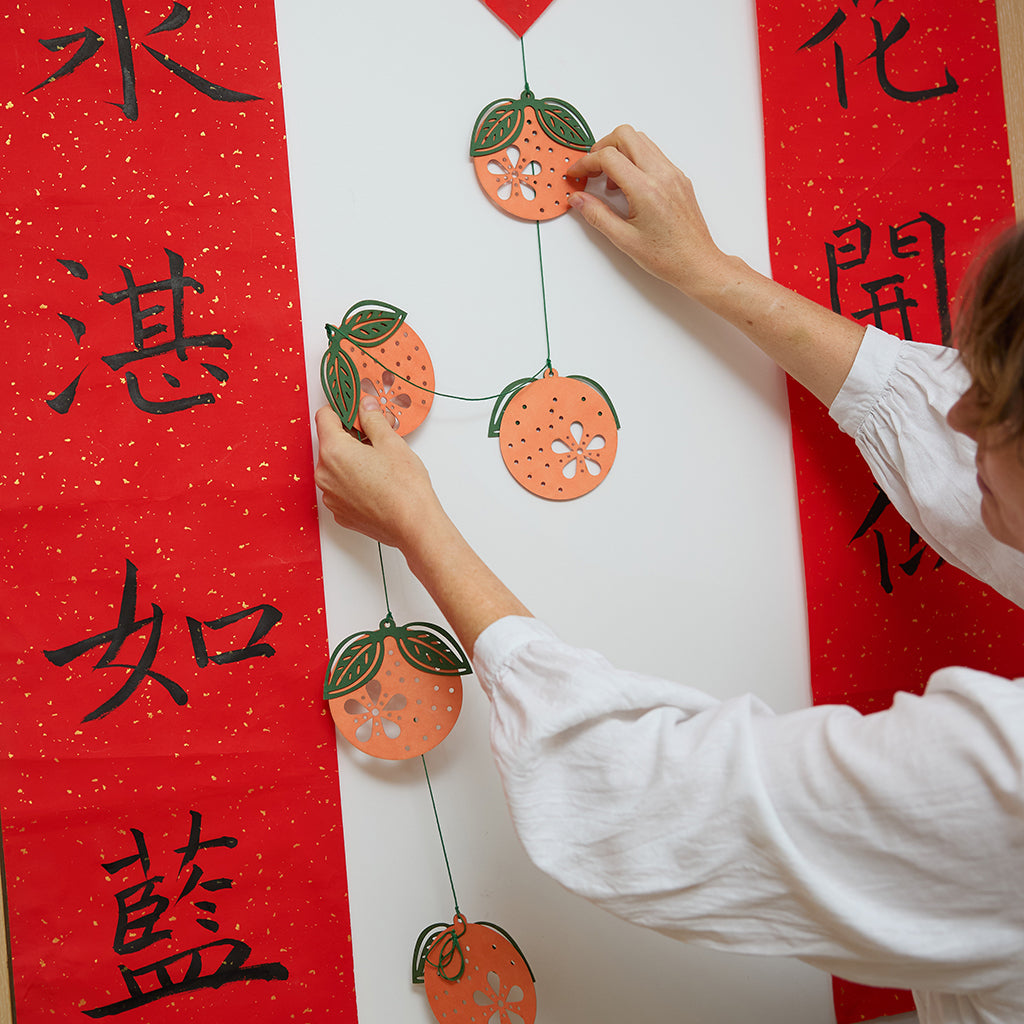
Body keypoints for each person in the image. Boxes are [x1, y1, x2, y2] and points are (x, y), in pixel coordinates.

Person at [314, 126, 1024, 1023]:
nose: (959, 410)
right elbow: (953, 458)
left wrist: (417, 525)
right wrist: (712, 270)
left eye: (993, 405)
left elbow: (637, 796)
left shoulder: (1005, 791)